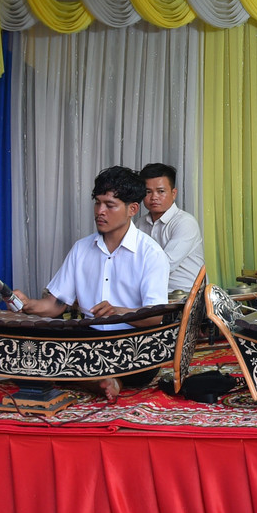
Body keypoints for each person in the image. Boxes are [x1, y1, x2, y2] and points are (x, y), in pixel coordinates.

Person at [16, 166, 170, 397]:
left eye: (110, 205)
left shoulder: (151, 253)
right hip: (90, 341)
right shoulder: (81, 249)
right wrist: (27, 304)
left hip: (132, 346)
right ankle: (103, 380)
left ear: (132, 209)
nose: (100, 211)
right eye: (97, 203)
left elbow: (155, 316)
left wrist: (119, 313)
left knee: (139, 359)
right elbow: (55, 306)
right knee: (45, 339)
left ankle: (94, 378)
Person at [136, 162, 204, 293]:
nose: (154, 197)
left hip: (187, 298)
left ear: (174, 193)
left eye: (161, 191)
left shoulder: (185, 222)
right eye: (148, 192)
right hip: (153, 295)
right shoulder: (140, 224)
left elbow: (165, 265)